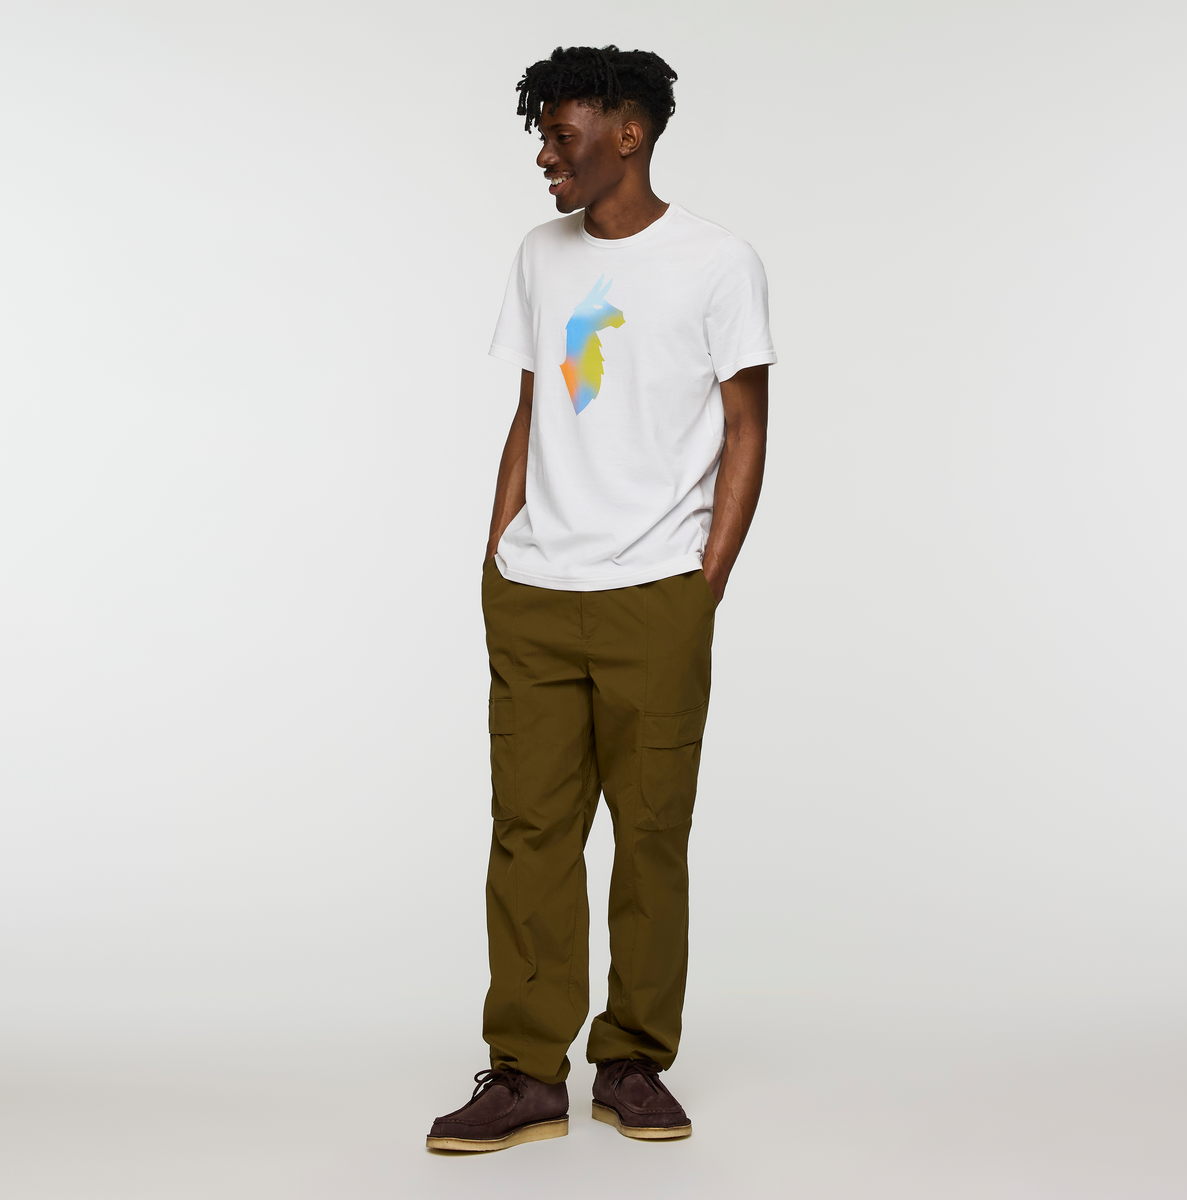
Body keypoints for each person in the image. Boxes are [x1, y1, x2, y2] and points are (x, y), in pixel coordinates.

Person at [427, 44, 775, 1153]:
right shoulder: (541, 255)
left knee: (650, 836)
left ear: (630, 134)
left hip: (655, 597)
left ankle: (631, 1061)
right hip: (535, 595)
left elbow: (748, 427)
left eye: (560, 135)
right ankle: (525, 1072)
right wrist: (498, 550)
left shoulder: (718, 262)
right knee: (528, 834)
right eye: (541, 136)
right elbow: (533, 407)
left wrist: (702, 586)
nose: (545, 155)